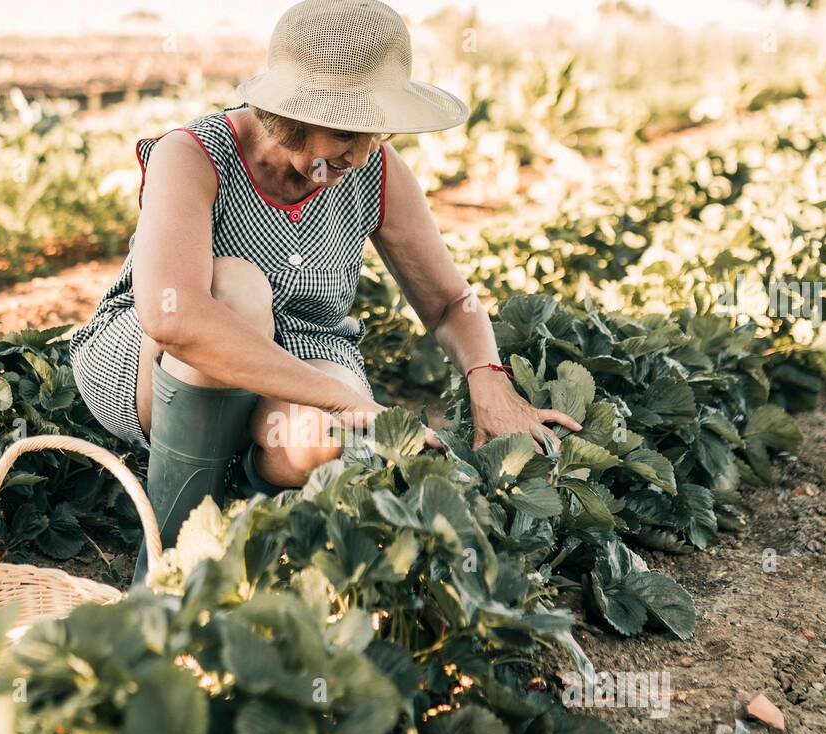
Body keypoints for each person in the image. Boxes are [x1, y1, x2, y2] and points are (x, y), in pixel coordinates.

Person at [70, 0, 580, 580]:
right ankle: (167, 574)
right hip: (160, 364)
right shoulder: (191, 155)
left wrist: (488, 379)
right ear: (287, 115)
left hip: (302, 358)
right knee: (238, 288)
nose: (362, 154)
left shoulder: (376, 171)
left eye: (375, 132)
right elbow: (176, 318)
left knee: (317, 443)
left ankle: (243, 495)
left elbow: (448, 302)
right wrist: (337, 397)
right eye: (345, 132)